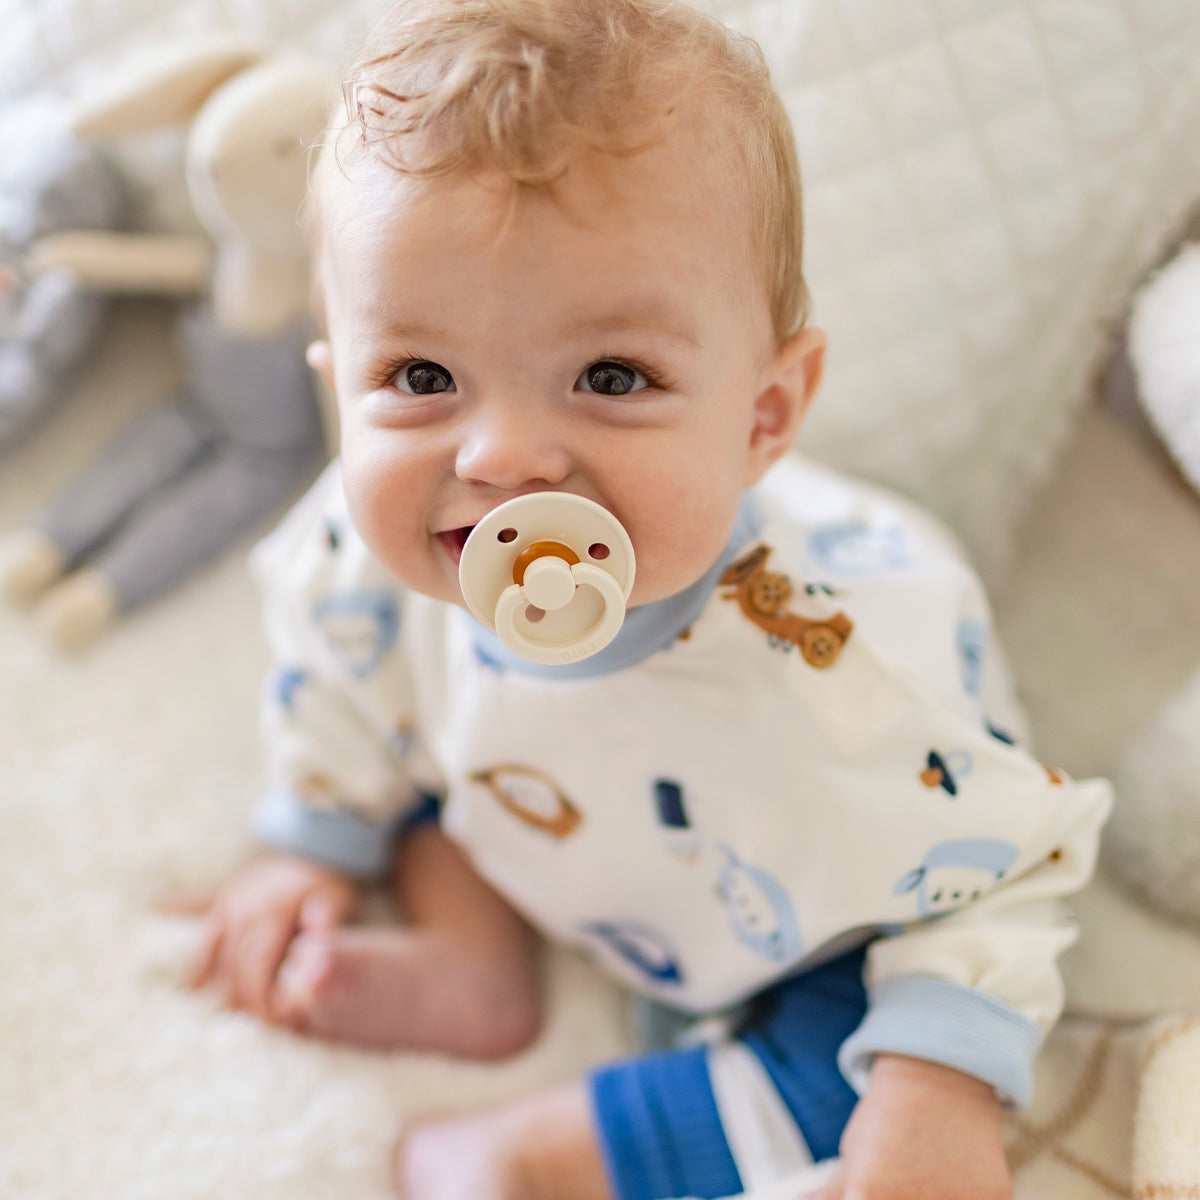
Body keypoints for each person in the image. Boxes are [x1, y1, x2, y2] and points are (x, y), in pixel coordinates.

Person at [186, 1, 1112, 1197]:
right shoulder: (374, 556)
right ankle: (476, 960)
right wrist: (312, 836)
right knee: (415, 746)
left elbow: (1005, 866)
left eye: (610, 376)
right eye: (421, 378)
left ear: (763, 415)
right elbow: (334, 673)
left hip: (808, 914)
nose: (503, 460)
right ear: (340, 393)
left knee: (871, 1070)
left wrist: (941, 1089)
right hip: (538, 814)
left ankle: (532, 1151)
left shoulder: (847, 670)